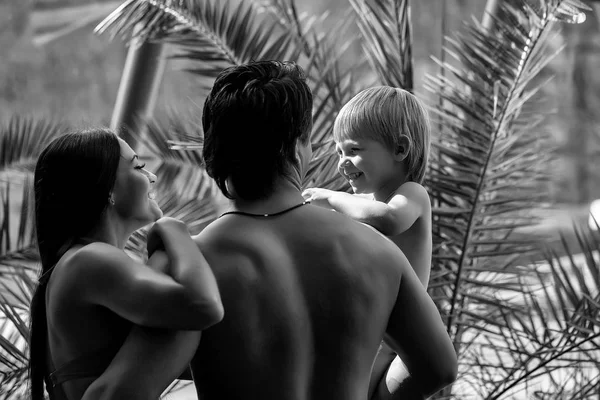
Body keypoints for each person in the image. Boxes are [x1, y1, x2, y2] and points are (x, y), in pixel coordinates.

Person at [84, 61, 457, 400]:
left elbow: (115, 394)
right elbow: (438, 367)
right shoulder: (379, 252)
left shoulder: (192, 268)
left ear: (213, 155)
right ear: (297, 149)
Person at [28, 128, 223, 400]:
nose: (151, 176)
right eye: (139, 167)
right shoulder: (89, 259)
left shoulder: (80, 263)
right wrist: (175, 230)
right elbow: (201, 305)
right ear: (107, 188)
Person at [301, 86, 433, 393]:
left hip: (397, 331)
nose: (342, 162)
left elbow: (389, 219)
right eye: (339, 153)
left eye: (354, 150)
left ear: (400, 149)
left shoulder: (411, 194)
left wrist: (333, 199)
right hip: (367, 325)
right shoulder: (361, 205)